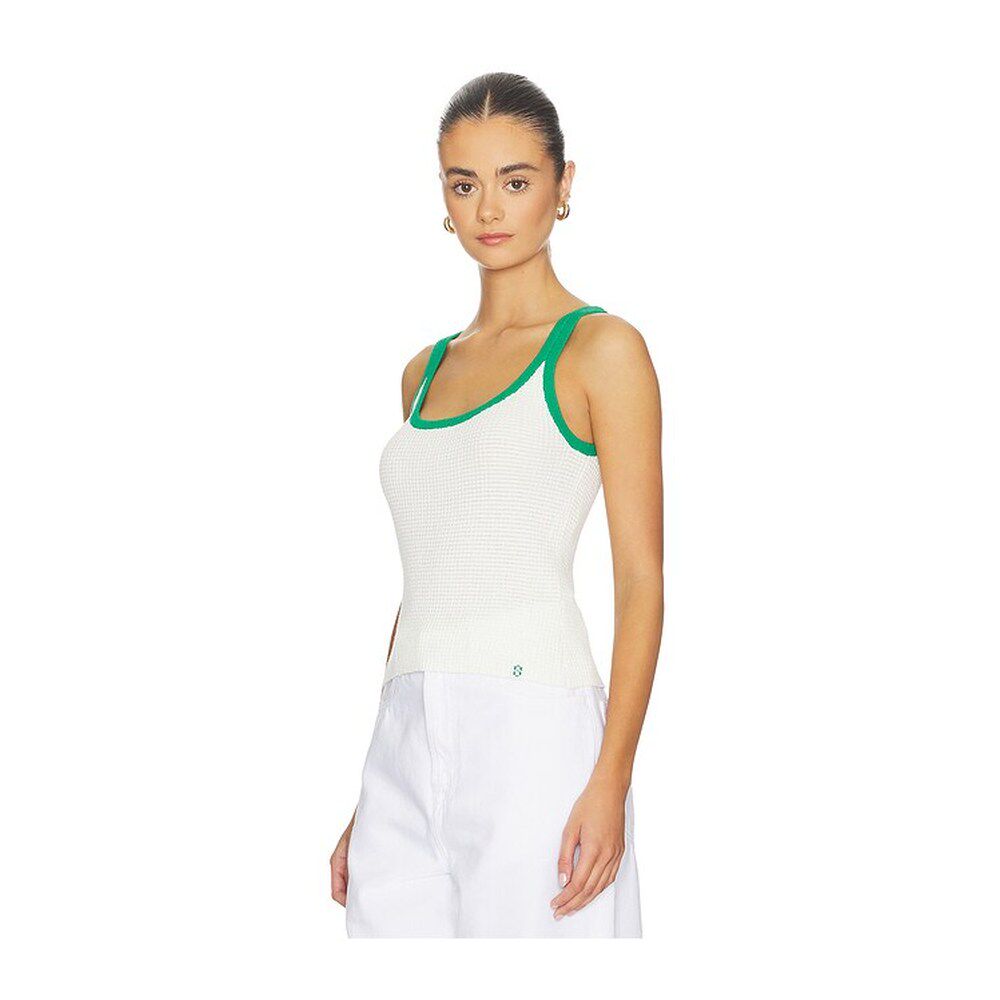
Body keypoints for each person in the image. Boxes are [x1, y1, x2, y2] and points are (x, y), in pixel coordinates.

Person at [330, 72, 663, 938]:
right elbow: (432, 574)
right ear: (442, 194)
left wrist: (611, 777)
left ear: (563, 183)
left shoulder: (601, 350)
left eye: (516, 181)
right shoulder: (423, 371)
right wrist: (374, 788)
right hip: (405, 738)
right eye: (463, 183)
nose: (488, 209)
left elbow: (641, 578)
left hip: (532, 730)